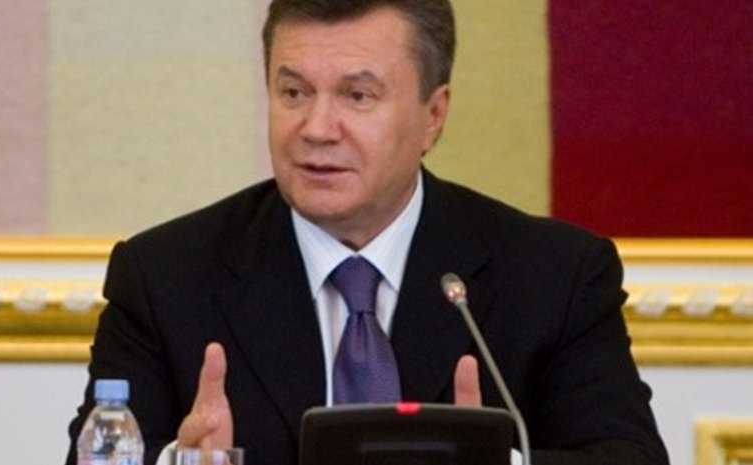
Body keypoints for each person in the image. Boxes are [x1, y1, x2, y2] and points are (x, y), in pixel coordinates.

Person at [66, 0, 669, 464]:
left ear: (433, 115)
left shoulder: (554, 275)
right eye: (293, 92)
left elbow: (629, 458)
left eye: (357, 96)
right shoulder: (165, 277)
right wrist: (180, 461)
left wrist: (497, 463)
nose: (316, 128)